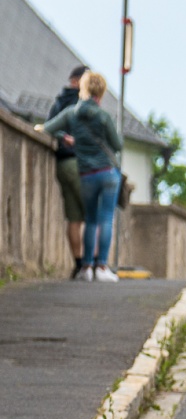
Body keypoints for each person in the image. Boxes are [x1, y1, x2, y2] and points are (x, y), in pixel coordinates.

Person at [39, 71, 123, 282]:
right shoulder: (103, 117)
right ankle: (102, 267)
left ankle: (86, 267)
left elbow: (46, 128)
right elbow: (117, 145)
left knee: (91, 219)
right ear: (101, 93)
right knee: (106, 219)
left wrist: (66, 137)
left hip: (86, 173)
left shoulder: (70, 113)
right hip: (106, 172)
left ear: (82, 89)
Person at [46, 65, 87, 278]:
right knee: (92, 214)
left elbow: (48, 126)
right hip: (78, 163)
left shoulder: (59, 101)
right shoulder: (81, 104)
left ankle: (78, 264)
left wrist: (62, 137)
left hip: (61, 163)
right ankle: (92, 266)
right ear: (79, 81)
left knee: (73, 217)